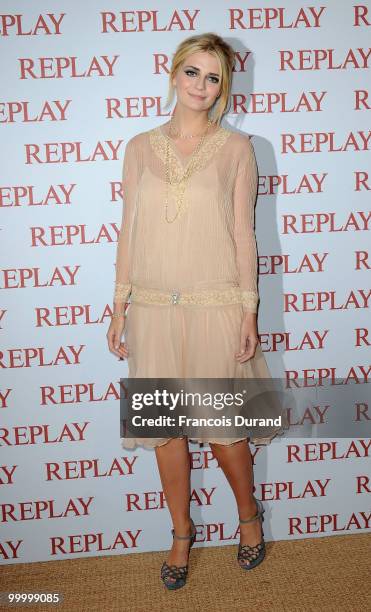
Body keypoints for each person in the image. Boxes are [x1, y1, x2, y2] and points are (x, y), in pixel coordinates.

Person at [107, 32, 288, 590]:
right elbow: (129, 232)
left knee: (226, 427)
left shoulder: (239, 149)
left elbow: (244, 236)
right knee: (166, 430)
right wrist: (120, 307)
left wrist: (249, 312)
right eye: (193, 73)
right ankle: (181, 535)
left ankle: (249, 517)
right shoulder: (139, 146)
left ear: (224, 86)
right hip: (155, 308)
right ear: (174, 74)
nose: (201, 86)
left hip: (216, 305)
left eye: (214, 77)